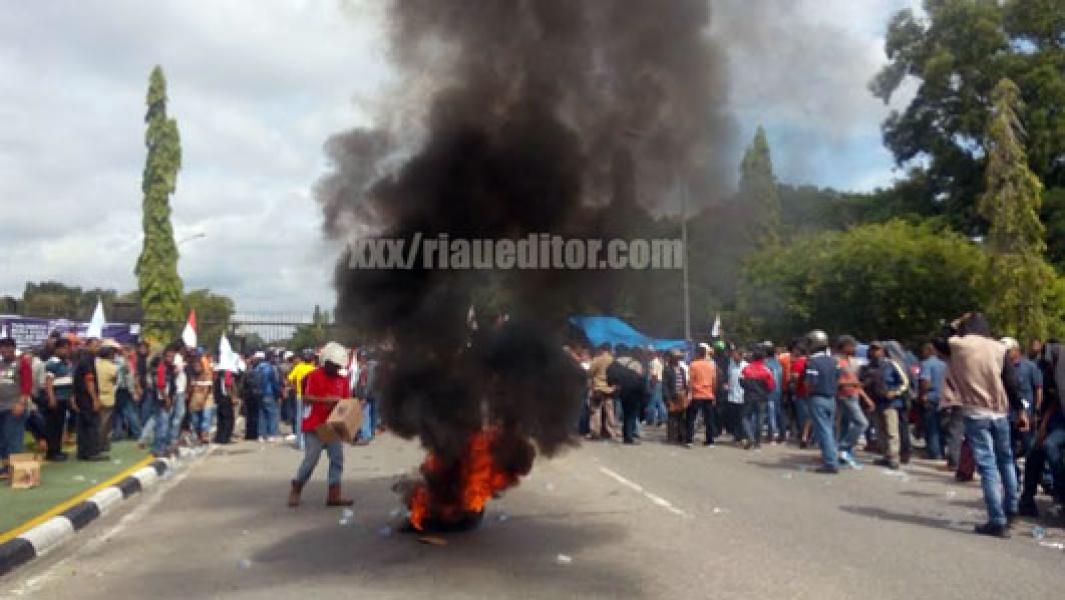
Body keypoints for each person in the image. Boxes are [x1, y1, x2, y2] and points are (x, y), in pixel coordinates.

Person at [937, 313, 1027, 538]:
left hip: (976, 413)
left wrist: (955, 322)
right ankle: (1012, 508)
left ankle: (996, 520)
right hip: (1000, 412)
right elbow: (1012, 382)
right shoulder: (999, 348)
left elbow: (938, 339)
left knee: (987, 466)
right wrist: (1021, 411)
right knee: (1006, 460)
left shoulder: (958, 345)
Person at [288, 341, 354, 508]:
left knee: (337, 459)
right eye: (334, 365)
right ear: (326, 362)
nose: (337, 369)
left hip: (333, 425)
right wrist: (327, 400)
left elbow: (346, 400)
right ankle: (296, 489)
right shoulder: (314, 376)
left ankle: (334, 495)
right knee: (311, 459)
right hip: (315, 424)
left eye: (339, 366)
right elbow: (307, 398)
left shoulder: (342, 379)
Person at [863, 341, 909, 470]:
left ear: (882, 351)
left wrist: (895, 392)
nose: (874, 352)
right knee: (879, 431)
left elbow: (904, 382)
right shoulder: (868, 367)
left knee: (891, 431)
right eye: (872, 350)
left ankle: (894, 457)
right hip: (876, 403)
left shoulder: (891, 365)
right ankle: (886, 455)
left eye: (877, 349)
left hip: (890, 403)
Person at [805, 330, 839, 474]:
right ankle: (830, 458)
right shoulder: (833, 361)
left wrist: (808, 392)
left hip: (817, 398)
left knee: (824, 431)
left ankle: (830, 462)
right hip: (831, 399)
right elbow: (838, 378)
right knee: (829, 430)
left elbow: (810, 383)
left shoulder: (812, 362)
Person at [836, 335, 872, 468]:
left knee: (845, 427)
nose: (855, 348)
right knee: (862, 423)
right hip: (845, 396)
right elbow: (836, 381)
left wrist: (866, 398)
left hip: (853, 394)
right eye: (852, 346)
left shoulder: (850, 361)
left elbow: (856, 383)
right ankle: (843, 448)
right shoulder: (837, 361)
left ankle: (844, 457)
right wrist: (854, 382)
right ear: (844, 347)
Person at [0, 338, 31, 478]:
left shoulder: (22, 363)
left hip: (15, 407)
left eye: (6, 349)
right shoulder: (1, 364)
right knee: (3, 440)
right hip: (1, 407)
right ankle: (6, 468)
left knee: (13, 439)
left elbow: (27, 385)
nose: (3, 351)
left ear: (13, 348)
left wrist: (21, 403)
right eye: (1, 349)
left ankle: (15, 470)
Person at [73, 338, 105, 461]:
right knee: (91, 424)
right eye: (95, 346)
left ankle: (83, 452)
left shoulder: (85, 360)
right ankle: (91, 452)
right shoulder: (87, 361)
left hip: (82, 397)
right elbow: (89, 381)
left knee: (83, 425)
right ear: (87, 346)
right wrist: (95, 399)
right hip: (87, 398)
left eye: (98, 346)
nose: (97, 348)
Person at [608, 347, 647, 445]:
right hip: (634, 392)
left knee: (625, 414)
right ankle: (629, 437)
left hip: (623, 391)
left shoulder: (618, 361)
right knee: (631, 415)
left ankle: (626, 434)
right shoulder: (636, 364)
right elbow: (639, 379)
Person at [740, 345, 774, 449]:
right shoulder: (767, 370)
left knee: (745, 418)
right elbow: (771, 386)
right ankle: (758, 442)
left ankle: (750, 437)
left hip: (749, 397)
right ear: (763, 358)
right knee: (760, 418)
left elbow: (741, 382)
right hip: (762, 398)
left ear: (752, 357)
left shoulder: (746, 369)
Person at [918, 343, 947, 460]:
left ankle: (934, 452)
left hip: (930, 397)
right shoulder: (944, 364)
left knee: (931, 426)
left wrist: (923, 394)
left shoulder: (926, 364)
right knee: (941, 426)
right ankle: (941, 450)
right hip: (943, 397)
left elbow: (925, 381)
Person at [685, 343, 718, 448]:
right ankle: (710, 440)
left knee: (691, 418)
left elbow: (690, 381)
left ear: (697, 353)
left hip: (696, 394)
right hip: (708, 394)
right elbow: (714, 381)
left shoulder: (693, 365)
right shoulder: (711, 365)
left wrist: (689, 394)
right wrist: (714, 394)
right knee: (709, 419)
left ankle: (689, 440)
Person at [586, 343, 618, 441]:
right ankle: (612, 431)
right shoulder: (613, 360)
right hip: (610, 388)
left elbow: (590, 372)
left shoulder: (598, 360)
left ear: (602, 349)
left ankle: (595, 432)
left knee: (595, 411)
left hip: (598, 388)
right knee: (610, 411)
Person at [112, 344, 141, 441]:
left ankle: (122, 433)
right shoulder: (125, 362)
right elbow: (130, 378)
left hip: (121, 389)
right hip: (122, 389)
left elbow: (130, 378)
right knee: (124, 412)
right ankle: (120, 433)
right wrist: (133, 391)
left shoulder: (122, 362)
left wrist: (133, 391)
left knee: (123, 412)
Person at [94, 341, 119, 454]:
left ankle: (99, 444)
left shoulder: (94, 364)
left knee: (98, 423)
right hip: (108, 397)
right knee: (105, 424)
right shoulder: (112, 367)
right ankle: (102, 445)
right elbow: (115, 381)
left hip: (96, 396)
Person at [662, 350, 688, 444]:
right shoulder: (667, 370)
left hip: (681, 396)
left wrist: (686, 393)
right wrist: (667, 398)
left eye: (679, 358)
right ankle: (671, 437)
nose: (677, 360)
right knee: (672, 417)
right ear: (672, 359)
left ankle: (681, 436)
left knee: (682, 417)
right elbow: (665, 385)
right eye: (676, 358)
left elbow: (684, 383)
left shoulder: (682, 370)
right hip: (672, 396)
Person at [789, 343, 812, 447]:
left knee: (802, 416)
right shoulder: (810, 361)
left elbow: (794, 377)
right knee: (810, 416)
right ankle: (809, 437)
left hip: (801, 392)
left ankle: (803, 437)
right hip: (812, 393)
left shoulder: (798, 362)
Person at [256, 351, 282, 442]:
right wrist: (279, 392)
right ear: (270, 358)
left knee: (262, 414)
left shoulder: (258, 367)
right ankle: (272, 435)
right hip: (269, 393)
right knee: (273, 414)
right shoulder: (270, 368)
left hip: (259, 394)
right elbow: (274, 382)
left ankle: (261, 435)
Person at [189, 351, 214, 444]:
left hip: (206, 399)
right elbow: (190, 388)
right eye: (195, 365)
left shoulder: (207, 374)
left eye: (198, 365)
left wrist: (203, 400)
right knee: (195, 420)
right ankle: (199, 435)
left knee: (206, 417)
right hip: (195, 399)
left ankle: (204, 435)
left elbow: (207, 389)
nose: (196, 367)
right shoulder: (192, 375)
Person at [763, 343, 783, 444]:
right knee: (777, 413)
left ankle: (772, 436)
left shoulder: (766, 365)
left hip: (769, 391)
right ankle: (778, 434)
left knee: (771, 414)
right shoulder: (778, 364)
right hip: (778, 391)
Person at [726, 346, 747, 444]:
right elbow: (729, 378)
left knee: (742, 417)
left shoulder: (746, 366)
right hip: (732, 395)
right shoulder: (730, 365)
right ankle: (736, 435)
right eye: (733, 355)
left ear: (741, 356)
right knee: (734, 417)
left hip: (742, 396)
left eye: (736, 355)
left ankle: (743, 436)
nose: (734, 356)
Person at [645, 350, 667, 427]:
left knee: (652, 402)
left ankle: (650, 419)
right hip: (659, 383)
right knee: (660, 402)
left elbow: (654, 375)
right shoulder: (658, 362)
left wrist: (652, 385)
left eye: (649, 354)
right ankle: (662, 419)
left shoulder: (653, 363)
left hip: (654, 383)